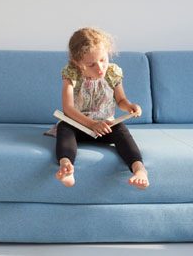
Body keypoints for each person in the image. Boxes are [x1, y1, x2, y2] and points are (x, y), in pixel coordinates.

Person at [53, 27, 148, 189]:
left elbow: (121, 100)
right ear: (78, 63)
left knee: (121, 130)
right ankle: (66, 166)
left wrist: (130, 106)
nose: (100, 68)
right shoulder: (71, 73)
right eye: (91, 64)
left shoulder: (112, 73)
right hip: (78, 126)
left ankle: (139, 169)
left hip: (104, 127)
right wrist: (90, 124)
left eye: (103, 60)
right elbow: (67, 108)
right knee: (64, 127)